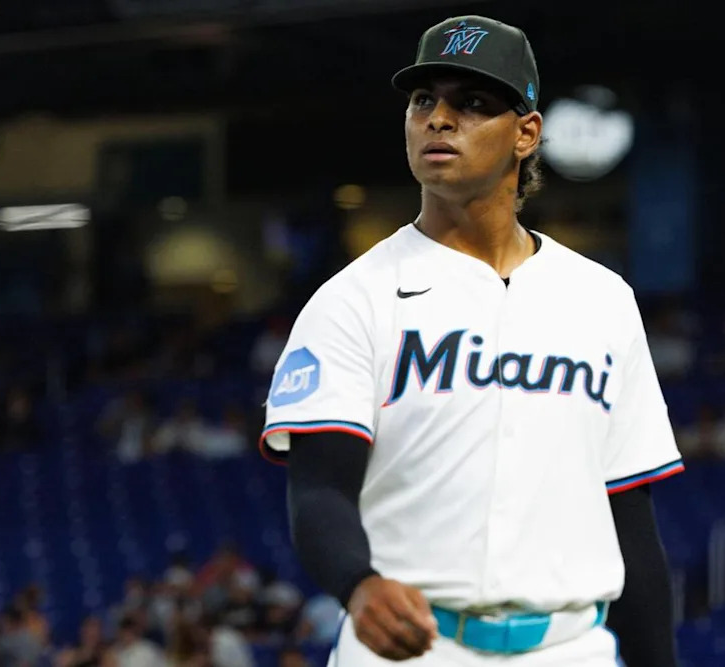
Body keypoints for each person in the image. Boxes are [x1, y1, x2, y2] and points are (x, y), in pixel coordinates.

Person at [260, 15, 683, 667]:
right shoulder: (353, 299)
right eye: (424, 99)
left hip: (572, 647)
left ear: (526, 133)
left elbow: (629, 512)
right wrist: (357, 582)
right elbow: (319, 490)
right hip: (414, 648)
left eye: (473, 103)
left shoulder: (603, 300)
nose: (439, 118)